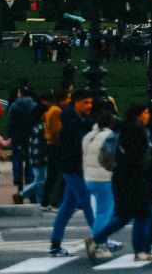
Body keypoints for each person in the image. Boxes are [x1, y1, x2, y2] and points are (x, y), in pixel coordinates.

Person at [89, 104, 152, 260]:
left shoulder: (124, 128)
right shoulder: (138, 129)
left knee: (124, 216)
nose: (148, 115)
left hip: (121, 176)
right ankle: (140, 251)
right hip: (135, 177)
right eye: (145, 112)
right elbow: (141, 156)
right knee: (142, 214)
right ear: (139, 115)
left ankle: (97, 239)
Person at [48, 92, 97, 256]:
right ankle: (100, 239)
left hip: (74, 168)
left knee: (67, 207)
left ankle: (55, 244)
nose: (89, 105)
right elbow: (76, 145)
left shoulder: (81, 120)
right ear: (76, 103)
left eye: (90, 102)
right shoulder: (69, 122)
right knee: (88, 203)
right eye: (85, 102)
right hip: (75, 168)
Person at [79, 106, 121, 259]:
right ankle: (99, 243)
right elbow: (111, 158)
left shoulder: (88, 136)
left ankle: (99, 242)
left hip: (89, 177)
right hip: (104, 177)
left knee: (99, 212)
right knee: (105, 213)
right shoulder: (110, 136)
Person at [6, 89, 39, 202]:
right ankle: (30, 187)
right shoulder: (34, 105)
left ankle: (18, 182)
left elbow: (10, 122)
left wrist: (10, 134)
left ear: (20, 94)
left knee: (17, 159)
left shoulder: (14, 106)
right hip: (30, 136)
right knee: (30, 161)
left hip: (17, 136)